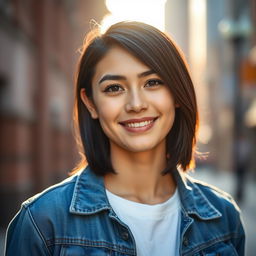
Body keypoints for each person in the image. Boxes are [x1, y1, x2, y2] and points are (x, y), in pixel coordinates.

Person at [5, 21, 245, 256]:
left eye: (152, 83)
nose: (136, 104)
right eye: (114, 88)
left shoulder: (223, 217)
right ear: (91, 103)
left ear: (177, 93)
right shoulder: (43, 222)